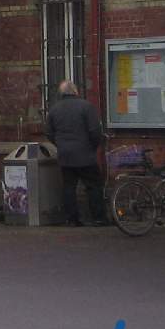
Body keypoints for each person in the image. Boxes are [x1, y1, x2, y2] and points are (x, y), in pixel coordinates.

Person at [45, 80, 108, 226]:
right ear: (75, 91)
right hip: (85, 154)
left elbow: (49, 132)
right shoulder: (86, 106)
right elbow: (95, 131)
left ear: (61, 94)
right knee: (93, 185)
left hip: (65, 155)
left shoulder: (54, 109)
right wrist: (93, 146)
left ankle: (72, 219)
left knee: (68, 187)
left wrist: (60, 144)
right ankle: (98, 218)